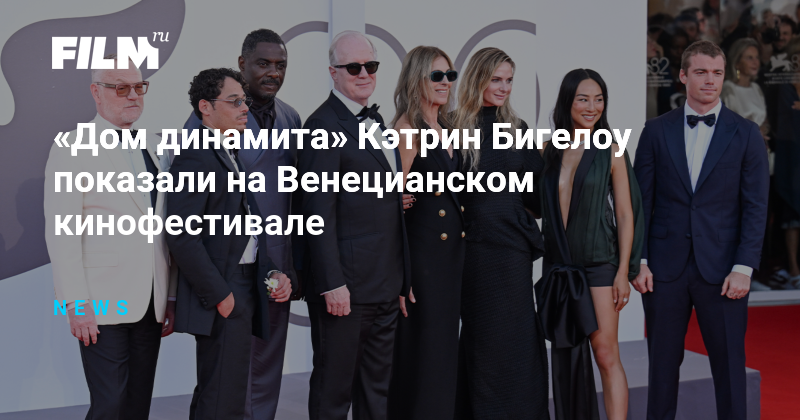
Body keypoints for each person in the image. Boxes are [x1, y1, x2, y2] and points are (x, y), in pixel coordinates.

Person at [633, 40, 769, 420]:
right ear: (683, 75)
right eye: (701, 72)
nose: (710, 80)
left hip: (724, 271)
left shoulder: (746, 133)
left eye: (717, 73)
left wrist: (744, 267)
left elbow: (756, 206)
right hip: (664, 270)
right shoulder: (655, 130)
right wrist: (639, 260)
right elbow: (640, 202)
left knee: (729, 369)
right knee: (661, 369)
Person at [43, 53, 175, 419]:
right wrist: (75, 302)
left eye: (139, 87)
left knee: (137, 404)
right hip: (100, 302)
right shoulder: (72, 146)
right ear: (96, 92)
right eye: (120, 88)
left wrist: (170, 294)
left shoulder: (154, 146)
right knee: (110, 405)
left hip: (151, 300)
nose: (132, 95)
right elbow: (62, 232)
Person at [182, 28, 300, 420]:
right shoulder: (205, 125)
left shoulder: (291, 117)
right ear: (242, 64)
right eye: (263, 63)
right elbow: (188, 220)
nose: (273, 72)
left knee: (267, 365)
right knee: (225, 379)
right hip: (229, 272)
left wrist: (288, 267)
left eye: (280, 65)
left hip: (273, 264)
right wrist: (217, 288)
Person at [296, 30, 409, 420]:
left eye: (371, 66)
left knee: (376, 394)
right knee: (333, 392)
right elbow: (316, 213)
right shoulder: (321, 126)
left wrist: (401, 279)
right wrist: (332, 283)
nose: (364, 74)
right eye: (353, 67)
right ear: (333, 72)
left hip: (384, 285)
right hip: (344, 290)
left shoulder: (378, 123)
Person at [538, 69, 644, 420]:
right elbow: (532, 205)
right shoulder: (547, 150)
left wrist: (623, 271)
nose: (592, 107)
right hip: (558, 266)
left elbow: (626, 214)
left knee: (606, 354)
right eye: (583, 99)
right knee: (565, 356)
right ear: (567, 101)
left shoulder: (611, 149)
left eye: (599, 99)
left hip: (600, 264)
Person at [452, 47, 550, 419]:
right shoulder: (452, 126)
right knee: (483, 340)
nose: (504, 87)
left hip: (513, 253)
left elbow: (537, 195)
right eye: (496, 79)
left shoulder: (517, 129)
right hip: (475, 253)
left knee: (518, 340)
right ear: (478, 78)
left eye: (509, 80)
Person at [386, 46, 465, 420]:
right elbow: (393, 209)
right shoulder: (405, 130)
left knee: (445, 353)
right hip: (423, 261)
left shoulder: (448, 127)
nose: (446, 82)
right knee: (425, 355)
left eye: (450, 75)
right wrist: (402, 277)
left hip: (453, 259)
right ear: (416, 79)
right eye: (437, 76)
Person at [772, 38, 800, 288]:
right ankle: (793, 268)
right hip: (791, 156)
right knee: (792, 213)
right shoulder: (784, 86)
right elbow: (787, 124)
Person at [721, 38, 769, 140]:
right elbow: (729, 124)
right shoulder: (728, 88)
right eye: (749, 58)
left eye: (757, 57)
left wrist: (763, 130)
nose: (755, 62)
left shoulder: (756, 88)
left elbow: (765, 121)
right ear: (737, 63)